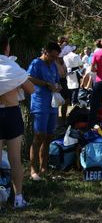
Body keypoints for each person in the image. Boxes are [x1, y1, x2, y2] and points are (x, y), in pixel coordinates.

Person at [0, 34, 35, 208]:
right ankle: (18, 198)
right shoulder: (12, 67)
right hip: (12, 113)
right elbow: (31, 89)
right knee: (15, 159)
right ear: (7, 48)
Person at [27, 42, 61, 181]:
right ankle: (33, 170)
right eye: (52, 56)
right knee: (39, 136)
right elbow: (28, 78)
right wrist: (46, 84)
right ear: (45, 51)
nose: (54, 59)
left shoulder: (53, 65)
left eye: (56, 57)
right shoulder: (36, 63)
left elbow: (57, 80)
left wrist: (57, 86)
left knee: (49, 136)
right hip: (40, 103)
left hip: (52, 104)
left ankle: (44, 168)